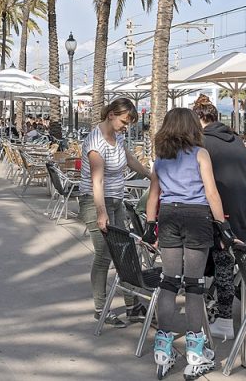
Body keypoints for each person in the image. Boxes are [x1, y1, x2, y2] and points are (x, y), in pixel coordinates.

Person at [144, 107, 231, 381]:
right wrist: (223, 226)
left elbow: (153, 194)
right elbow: (211, 192)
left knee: (169, 281)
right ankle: (195, 352)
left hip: (168, 214)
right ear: (193, 127)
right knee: (194, 285)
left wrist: (149, 224)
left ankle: (163, 348)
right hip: (196, 216)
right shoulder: (200, 154)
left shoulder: (161, 158)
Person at [192, 94, 246, 342]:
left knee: (223, 263)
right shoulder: (236, 139)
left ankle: (224, 320)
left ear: (200, 118)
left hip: (224, 209)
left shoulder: (201, 143)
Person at [81, 98, 152, 328]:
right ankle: (101, 308)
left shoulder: (118, 138)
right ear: (111, 114)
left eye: (129, 123)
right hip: (95, 202)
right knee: (104, 256)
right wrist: (102, 213)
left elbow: (131, 161)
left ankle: (132, 307)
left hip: (117, 201)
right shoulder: (95, 141)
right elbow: (97, 181)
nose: (126, 126)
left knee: (125, 251)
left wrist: (152, 176)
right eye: (124, 121)